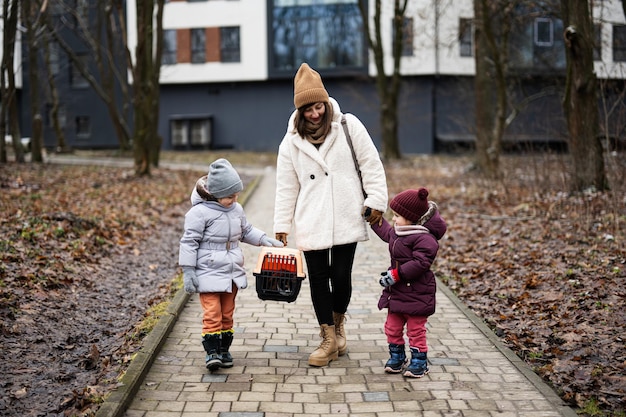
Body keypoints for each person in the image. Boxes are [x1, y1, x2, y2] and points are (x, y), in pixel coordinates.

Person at [273, 63, 388, 367]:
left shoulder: (348, 125)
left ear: (325, 101)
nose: (315, 114)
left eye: (319, 106)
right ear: (300, 110)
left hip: (345, 213)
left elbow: (371, 164)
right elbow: (286, 187)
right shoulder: (290, 143)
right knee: (318, 280)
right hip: (311, 218)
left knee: (341, 276)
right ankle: (327, 339)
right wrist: (281, 225)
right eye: (308, 109)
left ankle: (338, 326)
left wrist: (376, 200)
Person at [179, 158, 284, 371]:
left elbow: (245, 231)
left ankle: (224, 350)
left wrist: (264, 239)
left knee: (227, 313)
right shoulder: (198, 214)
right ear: (215, 194)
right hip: (207, 271)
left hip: (231, 272)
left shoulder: (236, 209)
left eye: (236, 194)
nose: (234, 199)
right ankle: (212, 352)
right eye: (229, 196)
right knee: (212, 313)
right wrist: (188, 271)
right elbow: (189, 242)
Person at [371, 187, 447, 378]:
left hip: (417, 292)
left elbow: (421, 263)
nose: (394, 219)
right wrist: (373, 220)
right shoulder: (399, 232)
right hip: (397, 292)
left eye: (397, 215)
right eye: (394, 215)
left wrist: (396, 275)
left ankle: (419, 362)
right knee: (392, 327)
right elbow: (387, 232)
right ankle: (397, 358)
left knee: (415, 330)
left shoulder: (425, 238)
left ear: (412, 217)